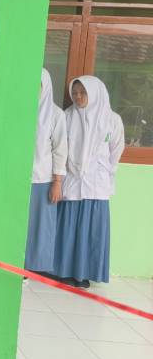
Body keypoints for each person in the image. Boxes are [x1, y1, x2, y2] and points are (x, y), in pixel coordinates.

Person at [53, 76, 124, 288]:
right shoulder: (67, 116)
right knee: (69, 228)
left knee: (90, 231)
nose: (78, 97)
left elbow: (116, 151)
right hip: (72, 180)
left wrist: (105, 171)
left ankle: (83, 274)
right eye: (75, 93)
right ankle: (64, 271)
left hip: (96, 184)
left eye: (83, 92)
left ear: (95, 93)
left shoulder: (112, 120)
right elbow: (61, 148)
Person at [25, 68, 67, 274]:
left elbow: (60, 150)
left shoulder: (56, 114)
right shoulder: (20, 109)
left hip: (42, 179)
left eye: (38, 85)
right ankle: (13, 263)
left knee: (38, 226)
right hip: (17, 178)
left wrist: (57, 182)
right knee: (17, 222)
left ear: (46, 86)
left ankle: (30, 267)